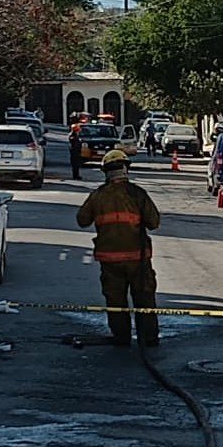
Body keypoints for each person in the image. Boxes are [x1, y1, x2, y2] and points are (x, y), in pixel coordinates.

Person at [76, 149, 161, 347]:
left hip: (110, 261)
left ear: (105, 171)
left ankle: (121, 338)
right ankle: (148, 338)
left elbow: (82, 220)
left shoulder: (98, 196)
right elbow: (154, 222)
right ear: (126, 169)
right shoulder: (137, 194)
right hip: (138, 260)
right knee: (144, 299)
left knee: (115, 301)